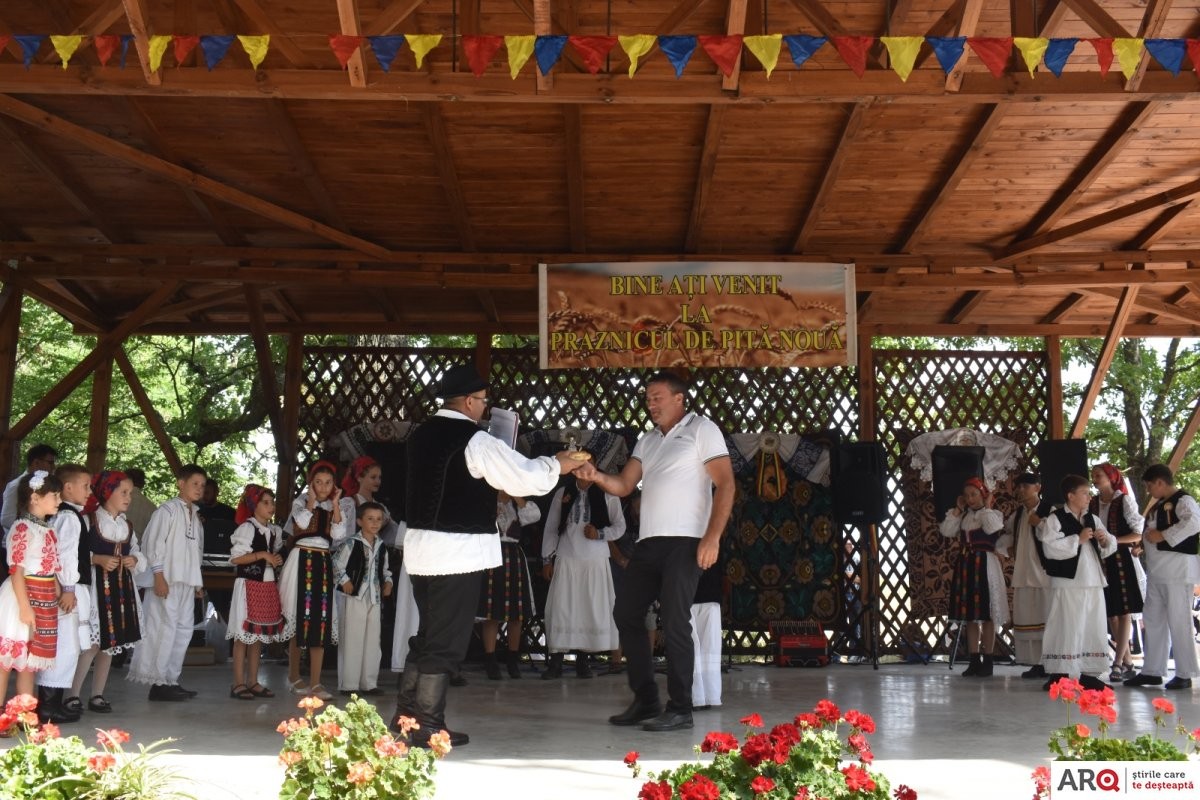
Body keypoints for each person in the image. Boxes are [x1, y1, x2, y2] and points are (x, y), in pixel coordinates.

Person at [391, 363, 582, 748]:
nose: (484, 408)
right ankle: (427, 725)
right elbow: (522, 477)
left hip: (421, 550)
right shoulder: (474, 440)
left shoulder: (419, 435)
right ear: (467, 402)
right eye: (482, 401)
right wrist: (558, 464)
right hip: (456, 552)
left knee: (428, 635)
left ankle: (405, 719)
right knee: (444, 642)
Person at [575, 370, 734, 733]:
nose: (651, 404)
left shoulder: (701, 429)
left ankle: (681, 707)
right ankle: (646, 699)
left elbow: (726, 484)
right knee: (626, 613)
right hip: (649, 543)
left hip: (686, 541)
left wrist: (712, 537)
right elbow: (624, 485)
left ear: (679, 399)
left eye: (657, 397)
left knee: (675, 619)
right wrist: (596, 476)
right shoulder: (647, 440)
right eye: (648, 398)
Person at [128, 464, 207, 700]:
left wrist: (197, 582)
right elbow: (153, 544)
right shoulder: (167, 511)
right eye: (195, 483)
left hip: (186, 582)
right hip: (166, 580)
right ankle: (157, 681)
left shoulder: (195, 516)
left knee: (183, 631)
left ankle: (171, 679)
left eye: (202, 485)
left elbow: (196, 552)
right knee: (163, 629)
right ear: (181, 483)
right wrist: (158, 576)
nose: (199, 488)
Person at [69, 471, 144, 715]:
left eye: (130, 493)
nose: (128, 497)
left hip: (120, 589)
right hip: (95, 589)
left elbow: (138, 552)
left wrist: (134, 559)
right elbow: (74, 553)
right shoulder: (88, 521)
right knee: (91, 644)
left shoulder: (126, 525)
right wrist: (97, 559)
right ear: (107, 492)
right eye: (123, 492)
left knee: (110, 643)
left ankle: (97, 694)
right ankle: (72, 695)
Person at [540, 471, 623, 680]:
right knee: (561, 608)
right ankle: (556, 662)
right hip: (567, 556)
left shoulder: (607, 493)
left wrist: (600, 534)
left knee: (588, 608)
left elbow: (620, 526)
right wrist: (547, 559)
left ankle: (583, 661)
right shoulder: (563, 492)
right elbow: (551, 527)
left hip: (595, 560)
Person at [1038, 474, 1117, 691]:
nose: (1089, 497)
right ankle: (1059, 674)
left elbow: (1110, 545)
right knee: (1066, 625)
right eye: (1084, 493)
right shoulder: (1055, 519)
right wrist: (1078, 539)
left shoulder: (1092, 518)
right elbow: (1049, 548)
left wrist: (1104, 540)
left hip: (1092, 580)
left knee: (1092, 625)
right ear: (1071, 495)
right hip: (1067, 582)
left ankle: (1089, 674)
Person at [1124, 464, 1200, 690]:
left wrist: (1164, 535)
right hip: (1158, 572)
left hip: (1177, 571)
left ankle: (1185, 673)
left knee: (1179, 620)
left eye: (1149, 485)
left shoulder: (1183, 500)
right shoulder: (1159, 505)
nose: (1148, 490)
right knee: (1153, 620)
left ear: (1159, 482)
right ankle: (1152, 671)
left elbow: (1194, 523)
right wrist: (1144, 544)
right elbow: (1153, 534)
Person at [279, 461, 348, 701]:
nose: (323, 487)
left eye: (328, 482)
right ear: (311, 484)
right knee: (299, 618)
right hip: (301, 559)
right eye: (318, 482)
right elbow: (301, 522)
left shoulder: (336, 507)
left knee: (320, 621)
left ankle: (316, 683)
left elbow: (339, 534)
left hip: (322, 562)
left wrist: (336, 504)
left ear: (334, 485)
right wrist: (310, 500)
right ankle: (294, 676)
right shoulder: (300, 502)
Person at [0, 472, 63, 706]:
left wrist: (56, 591)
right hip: (21, 598)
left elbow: (51, 568)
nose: (59, 500)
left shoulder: (48, 529)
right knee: (5, 661)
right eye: (55, 495)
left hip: (43, 597)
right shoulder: (22, 527)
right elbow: (16, 570)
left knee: (29, 662)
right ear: (35, 498)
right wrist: (25, 608)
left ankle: (23, 714)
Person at [37, 464, 91, 724]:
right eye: (85, 486)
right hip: (66, 589)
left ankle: (52, 703)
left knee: (64, 646)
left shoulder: (64, 515)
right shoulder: (69, 517)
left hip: (61, 586)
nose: (89, 491)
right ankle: (49, 706)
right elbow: (65, 554)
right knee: (65, 646)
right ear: (68, 487)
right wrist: (68, 588)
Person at [939, 477, 1007, 678]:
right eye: (967, 495)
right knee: (970, 615)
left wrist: (986, 507)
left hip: (985, 565)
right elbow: (946, 531)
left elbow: (993, 528)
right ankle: (974, 660)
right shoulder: (963, 516)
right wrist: (957, 510)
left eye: (974, 494)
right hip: (966, 566)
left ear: (983, 494)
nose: (970, 499)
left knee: (986, 614)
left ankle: (988, 660)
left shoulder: (992, 514)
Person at [226, 484, 285, 701]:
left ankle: (252, 681)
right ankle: (238, 683)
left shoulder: (273, 531)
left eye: (272, 502)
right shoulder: (247, 528)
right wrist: (262, 555)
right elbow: (236, 558)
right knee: (243, 636)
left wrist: (274, 559)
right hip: (248, 586)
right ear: (254, 506)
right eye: (266, 502)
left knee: (257, 635)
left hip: (265, 585)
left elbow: (270, 555)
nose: (271, 506)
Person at [1089, 463, 1145, 683]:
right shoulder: (1093, 502)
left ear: (1111, 477)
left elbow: (1138, 533)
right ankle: (1127, 661)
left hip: (1121, 559)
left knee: (1124, 612)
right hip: (1101, 559)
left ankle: (1118, 662)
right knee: (1111, 611)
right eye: (1093, 476)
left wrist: (1114, 541)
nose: (1095, 479)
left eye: (1098, 475)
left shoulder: (1124, 500)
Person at [480, 490, 542, 680]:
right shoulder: (487, 502)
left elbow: (535, 515)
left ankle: (512, 660)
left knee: (517, 614)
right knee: (491, 613)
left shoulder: (518, 504)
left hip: (514, 558)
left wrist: (515, 494)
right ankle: (490, 661)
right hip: (492, 556)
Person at [334, 501, 393, 695]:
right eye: (370, 519)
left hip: (374, 597)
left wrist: (388, 582)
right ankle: (349, 684)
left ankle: (369, 683)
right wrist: (345, 581)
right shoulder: (351, 543)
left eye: (379, 519)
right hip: (354, 596)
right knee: (352, 638)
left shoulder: (382, 546)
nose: (375, 523)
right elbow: (335, 563)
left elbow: (385, 570)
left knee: (372, 641)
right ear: (359, 521)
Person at [1000, 472, 1052, 679]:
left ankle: (1051, 662)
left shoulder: (1049, 510)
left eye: (1026, 486)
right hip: (1023, 572)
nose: (1021, 490)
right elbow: (1009, 536)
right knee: (1030, 618)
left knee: (1046, 618)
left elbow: (1057, 535)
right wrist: (1008, 548)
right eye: (1019, 486)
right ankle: (1036, 663)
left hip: (1043, 574)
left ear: (1037, 487)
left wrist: (1039, 523)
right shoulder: (1018, 514)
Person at [2, 444, 58, 546]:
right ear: (36, 462)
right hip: (16, 547)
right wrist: (41, 526)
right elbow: (6, 519)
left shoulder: (46, 486)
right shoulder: (16, 486)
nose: (53, 467)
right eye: (50, 463)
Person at [690, 563, 722, 709]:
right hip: (691, 587)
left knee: (705, 646)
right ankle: (702, 696)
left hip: (705, 586)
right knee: (700, 645)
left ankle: (704, 696)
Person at [123, 468, 158, 538]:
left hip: (113, 543)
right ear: (143, 484)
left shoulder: (115, 500)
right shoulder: (152, 507)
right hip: (139, 544)